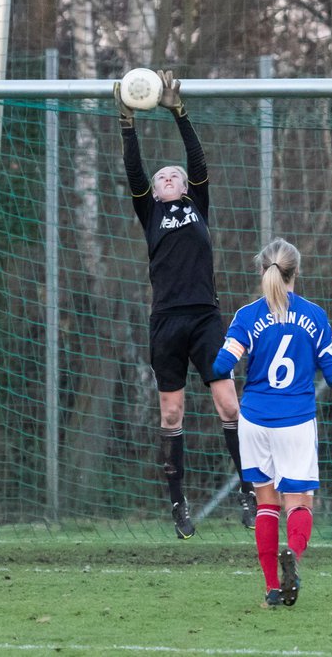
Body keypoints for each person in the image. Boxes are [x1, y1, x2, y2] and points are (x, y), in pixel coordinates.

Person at [116, 69, 257, 538]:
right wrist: (128, 126)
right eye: (163, 176)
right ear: (155, 192)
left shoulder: (198, 203)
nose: (171, 175)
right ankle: (178, 505)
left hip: (204, 318)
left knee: (229, 406)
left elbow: (197, 161)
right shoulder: (149, 209)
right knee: (172, 414)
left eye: (174, 173)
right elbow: (134, 170)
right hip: (166, 324)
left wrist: (181, 114)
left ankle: (248, 492)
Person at [212, 238, 332, 607]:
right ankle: (294, 555)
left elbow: (221, 366)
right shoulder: (315, 315)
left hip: (254, 420)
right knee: (300, 501)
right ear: (296, 271)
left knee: (266, 503)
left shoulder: (247, 316)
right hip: (295, 421)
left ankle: (273, 588)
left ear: (262, 270)